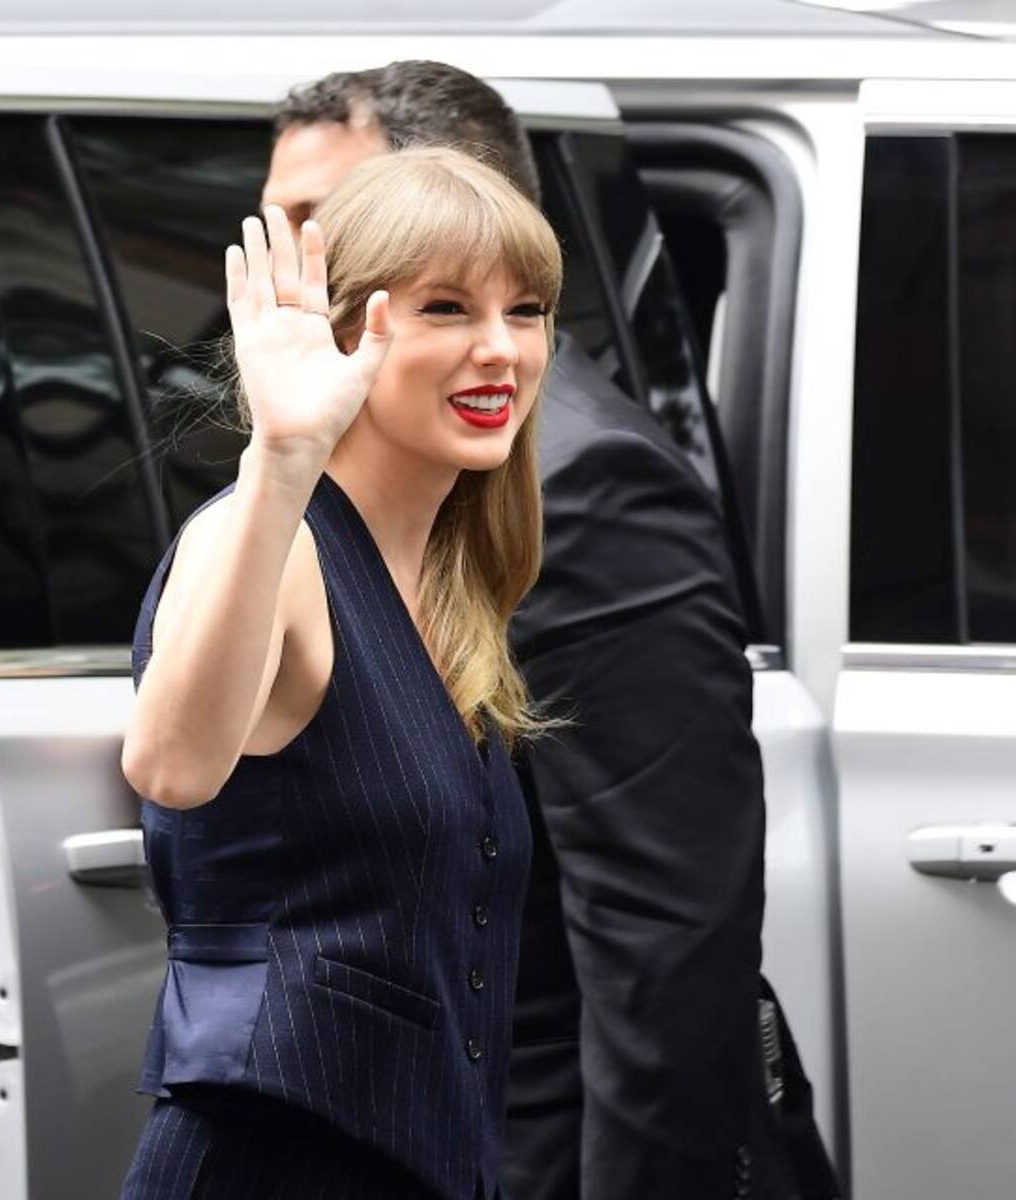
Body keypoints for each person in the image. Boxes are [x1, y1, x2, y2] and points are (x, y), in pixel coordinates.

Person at [260, 61, 838, 1200]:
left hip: (540, 1143)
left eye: (322, 220)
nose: (287, 259)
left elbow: (663, 931)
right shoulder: (356, 470)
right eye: (276, 222)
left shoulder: (580, 478)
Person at [119, 145, 563, 1200]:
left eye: (528, 310)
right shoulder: (269, 539)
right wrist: (281, 459)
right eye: (447, 308)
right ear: (343, 329)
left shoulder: (450, 581)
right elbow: (172, 765)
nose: (500, 349)